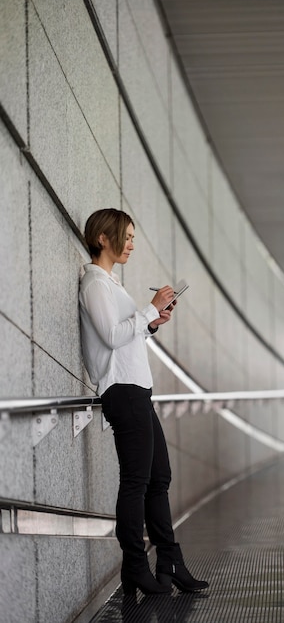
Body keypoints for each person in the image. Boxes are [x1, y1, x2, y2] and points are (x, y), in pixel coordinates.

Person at [79, 208, 209, 596]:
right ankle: (136, 566)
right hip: (121, 390)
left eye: (134, 237)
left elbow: (128, 337)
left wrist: (151, 323)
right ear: (103, 237)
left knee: (159, 478)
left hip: (136, 388)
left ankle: (169, 561)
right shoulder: (95, 285)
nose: (132, 244)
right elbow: (111, 336)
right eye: (127, 236)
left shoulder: (112, 285)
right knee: (136, 482)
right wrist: (149, 309)